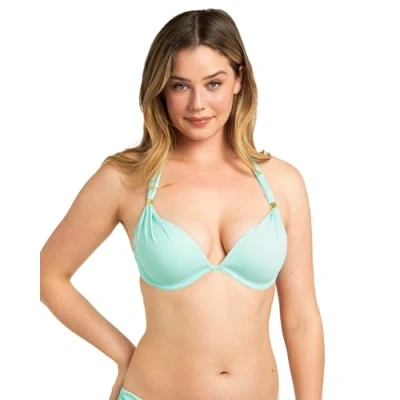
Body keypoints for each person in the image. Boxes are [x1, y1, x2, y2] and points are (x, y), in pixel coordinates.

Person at [40, 8, 324, 400]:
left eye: (213, 83)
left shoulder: (283, 184)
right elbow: (47, 274)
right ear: (160, 88)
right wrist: (123, 354)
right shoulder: (127, 178)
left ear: (239, 80)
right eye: (179, 86)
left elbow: (302, 318)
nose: (197, 104)